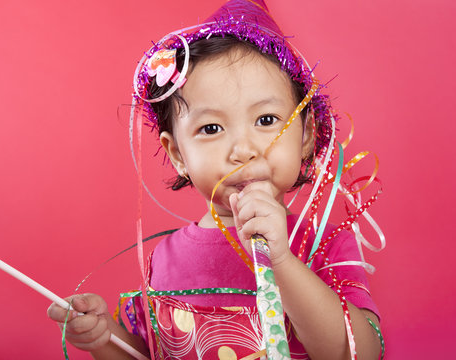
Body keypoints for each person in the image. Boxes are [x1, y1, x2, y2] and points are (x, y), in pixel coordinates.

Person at [47, 1, 384, 359]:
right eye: (211, 128)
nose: (242, 149)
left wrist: (281, 260)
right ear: (177, 155)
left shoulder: (327, 246)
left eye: (267, 120)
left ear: (305, 136)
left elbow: (360, 354)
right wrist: (105, 339)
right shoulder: (164, 260)